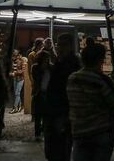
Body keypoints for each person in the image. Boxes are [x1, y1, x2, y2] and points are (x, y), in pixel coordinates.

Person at [67, 43, 114, 161]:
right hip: (101, 132)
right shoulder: (102, 81)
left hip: (79, 132)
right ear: (100, 60)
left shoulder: (72, 79)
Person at [44, 33, 81, 161]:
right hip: (56, 112)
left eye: (62, 45)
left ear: (70, 46)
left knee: (58, 150)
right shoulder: (63, 62)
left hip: (61, 113)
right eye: (58, 44)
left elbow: (66, 90)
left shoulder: (70, 64)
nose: (58, 48)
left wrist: (65, 116)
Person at [32, 50, 52, 141]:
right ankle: (37, 134)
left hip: (48, 93)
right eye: (45, 58)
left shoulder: (51, 67)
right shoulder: (35, 67)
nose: (47, 60)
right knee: (38, 115)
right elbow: (36, 78)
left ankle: (45, 132)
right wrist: (42, 69)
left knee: (46, 114)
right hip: (39, 93)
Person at [10, 49, 27, 113]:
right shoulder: (13, 60)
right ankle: (20, 106)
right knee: (17, 94)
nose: (14, 53)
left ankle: (15, 108)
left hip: (20, 78)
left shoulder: (21, 60)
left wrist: (15, 73)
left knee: (17, 93)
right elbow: (13, 69)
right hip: (15, 78)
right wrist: (11, 73)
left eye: (15, 52)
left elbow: (23, 70)